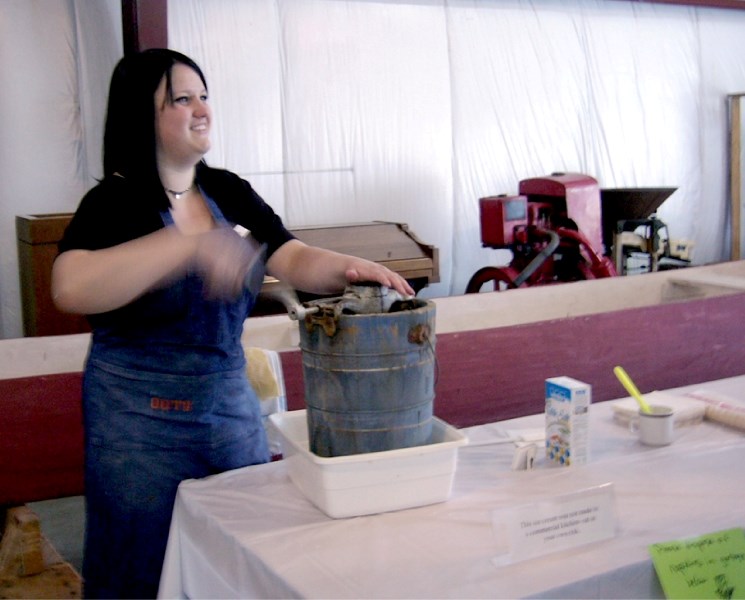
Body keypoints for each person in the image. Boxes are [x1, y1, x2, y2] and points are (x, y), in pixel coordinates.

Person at [52, 48, 414, 599]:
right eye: (182, 98)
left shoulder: (226, 190)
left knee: (242, 560)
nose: (202, 109)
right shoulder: (113, 201)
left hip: (226, 411)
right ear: (141, 113)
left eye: (204, 96)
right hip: (137, 430)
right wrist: (188, 248)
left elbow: (290, 256)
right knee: (141, 572)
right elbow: (70, 285)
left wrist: (346, 268)